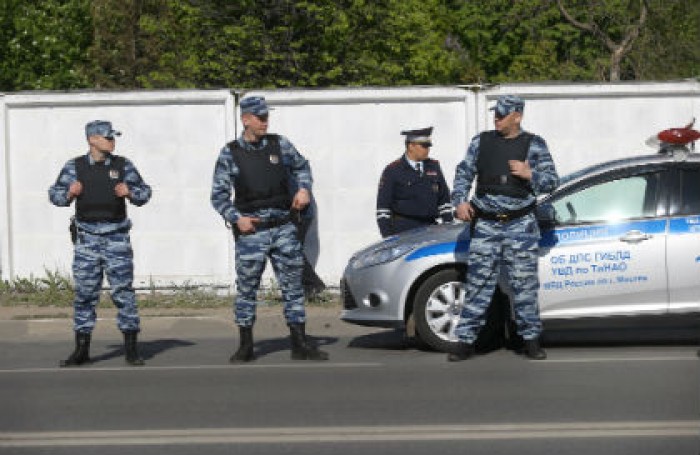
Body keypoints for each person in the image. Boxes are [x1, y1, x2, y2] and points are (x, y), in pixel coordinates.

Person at [210, 96, 328, 362]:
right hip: (252, 230)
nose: (265, 122)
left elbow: (302, 166)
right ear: (245, 119)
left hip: (284, 225)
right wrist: (236, 218)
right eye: (260, 117)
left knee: (293, 286)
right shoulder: (230, 153)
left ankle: (299, 343)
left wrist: (303, 188)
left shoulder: (280, 144)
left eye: (267, 117)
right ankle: (246, 345)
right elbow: (217, 196)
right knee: (248, 288)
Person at [448, 95, 559, 362]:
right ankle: (465, 341)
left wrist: (530, 174)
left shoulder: (534, 144)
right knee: (478, 283)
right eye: (495, 114)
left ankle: (530, 340)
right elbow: (463, 173)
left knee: (524, 285)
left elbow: (552, 182)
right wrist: (459, 201)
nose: (496, 118)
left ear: (517, 116)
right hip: (486, 223)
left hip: (520, 224)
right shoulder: (481, 142)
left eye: (502, 114)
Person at [49, 120, 152, 367]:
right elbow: (54, 195)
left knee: (123, 293)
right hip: (87, 239)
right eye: (107, 137)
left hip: (116, 237)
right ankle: (81, 350)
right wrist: (69, 193)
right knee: (85, 294)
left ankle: (131, 349)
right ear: (92, 139)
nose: (112, 141)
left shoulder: (122, 165)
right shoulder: (75, 167)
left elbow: (145, 192)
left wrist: (130, 192)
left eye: (113, 137)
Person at [376, 127, 454, 237]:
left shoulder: (433, 166)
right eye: (424, 146)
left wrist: (448, 225)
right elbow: (383, 209)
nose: (427, 150)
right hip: (404, 229)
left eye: (428, 146)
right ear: (411, 146)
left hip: (430, 228)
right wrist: (388, 237)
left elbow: (444, 200)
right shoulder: (393, 170)